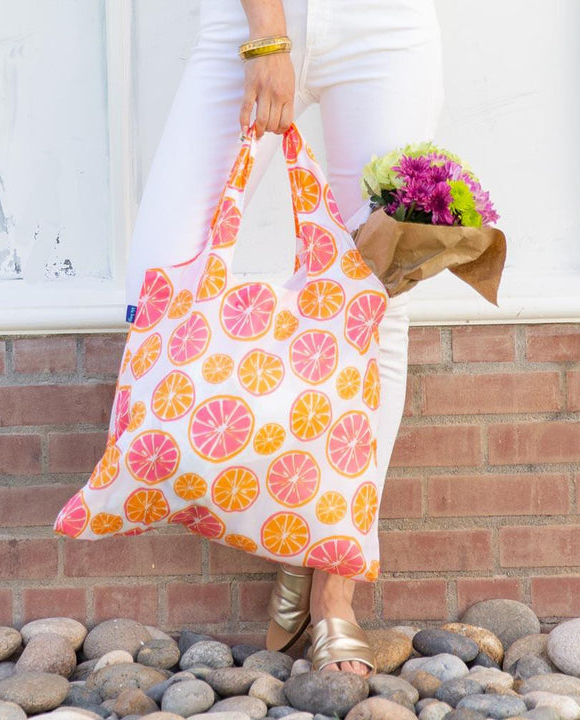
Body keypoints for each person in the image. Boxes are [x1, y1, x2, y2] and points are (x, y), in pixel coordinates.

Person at [123, 0, 444, 677]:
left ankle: (333, 582)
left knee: (381, 293)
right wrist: (268, 39)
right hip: (253, 22)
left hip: (392, 26)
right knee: (160, 269)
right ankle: (297, 520)